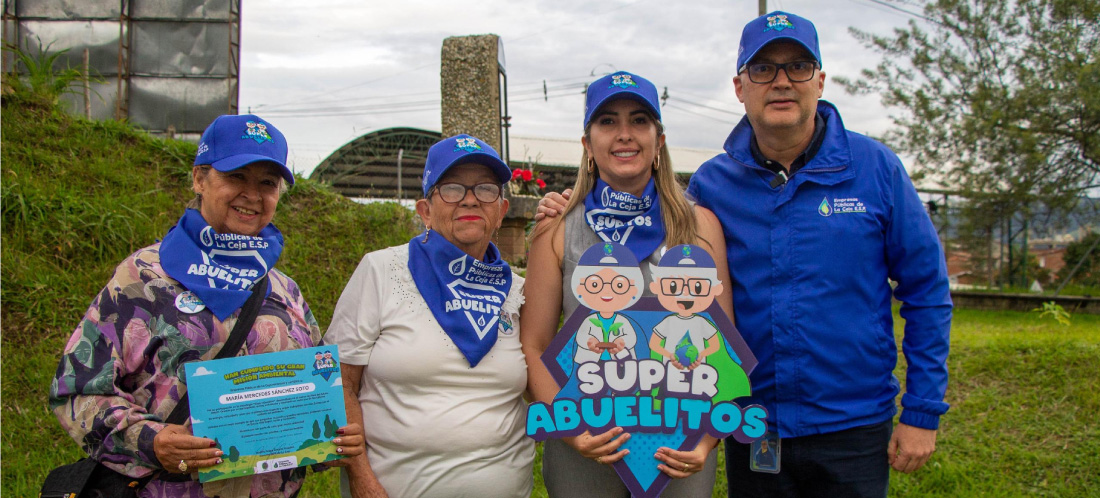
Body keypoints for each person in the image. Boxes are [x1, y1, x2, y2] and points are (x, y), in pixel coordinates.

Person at [685, 11, 952, 497]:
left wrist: (922, 411)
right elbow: (653, 240)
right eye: (763, 69)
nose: (782, 82)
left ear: (821, 81)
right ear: (740, 86)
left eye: (798, 67)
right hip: (755, 425)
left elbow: (927, 293)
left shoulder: (876, 170)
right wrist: (574, 202)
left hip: (853, 426)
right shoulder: (711, 184)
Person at [49, 114, 365, 498]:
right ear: (200, 178)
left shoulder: (285, 292)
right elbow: (75, 391)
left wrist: (327, 442)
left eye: (267, 183)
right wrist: (153, 440)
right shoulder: (143, 279)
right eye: (236, 177)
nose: (252, 194)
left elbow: (312, 400)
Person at [521, 71, 733, 497]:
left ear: (660, 138)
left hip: (678, 444)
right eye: (607, 122)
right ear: (587, 144)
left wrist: (708, 439)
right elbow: (534, 346)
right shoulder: (557, 228)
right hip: (586, 444)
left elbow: (724, 346)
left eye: (639, 120)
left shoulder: (701, 227)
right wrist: (572, 427)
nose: (624, 135)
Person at [325, 134, 534, 498]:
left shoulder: (517, 291)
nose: (470, 199)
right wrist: (361, 479)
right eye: (451, 188)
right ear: (425, 210)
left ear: (501, 211)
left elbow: (540, 378)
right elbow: (339, 382)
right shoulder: (381, 270)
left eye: (486, 189)